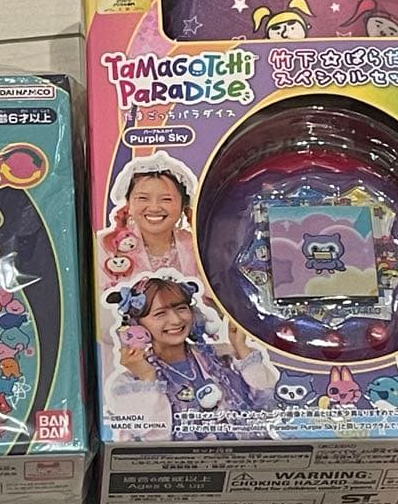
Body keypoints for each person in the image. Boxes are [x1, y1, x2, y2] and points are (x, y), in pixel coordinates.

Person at [105, 277, 279, 441]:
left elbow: (271, 406)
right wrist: (147, 378)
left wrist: (241, 347)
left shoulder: (224, 356)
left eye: (181, 308)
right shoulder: (129, 383)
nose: (176, 320)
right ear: (136, 326)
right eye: (160, 314)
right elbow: (155, 440)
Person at [99, 152, 199, 284]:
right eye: (143, 198)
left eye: (166, 199)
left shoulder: (196, 246)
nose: (154, 208)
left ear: (183, 205)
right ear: (128, 203)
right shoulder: (105, 246)